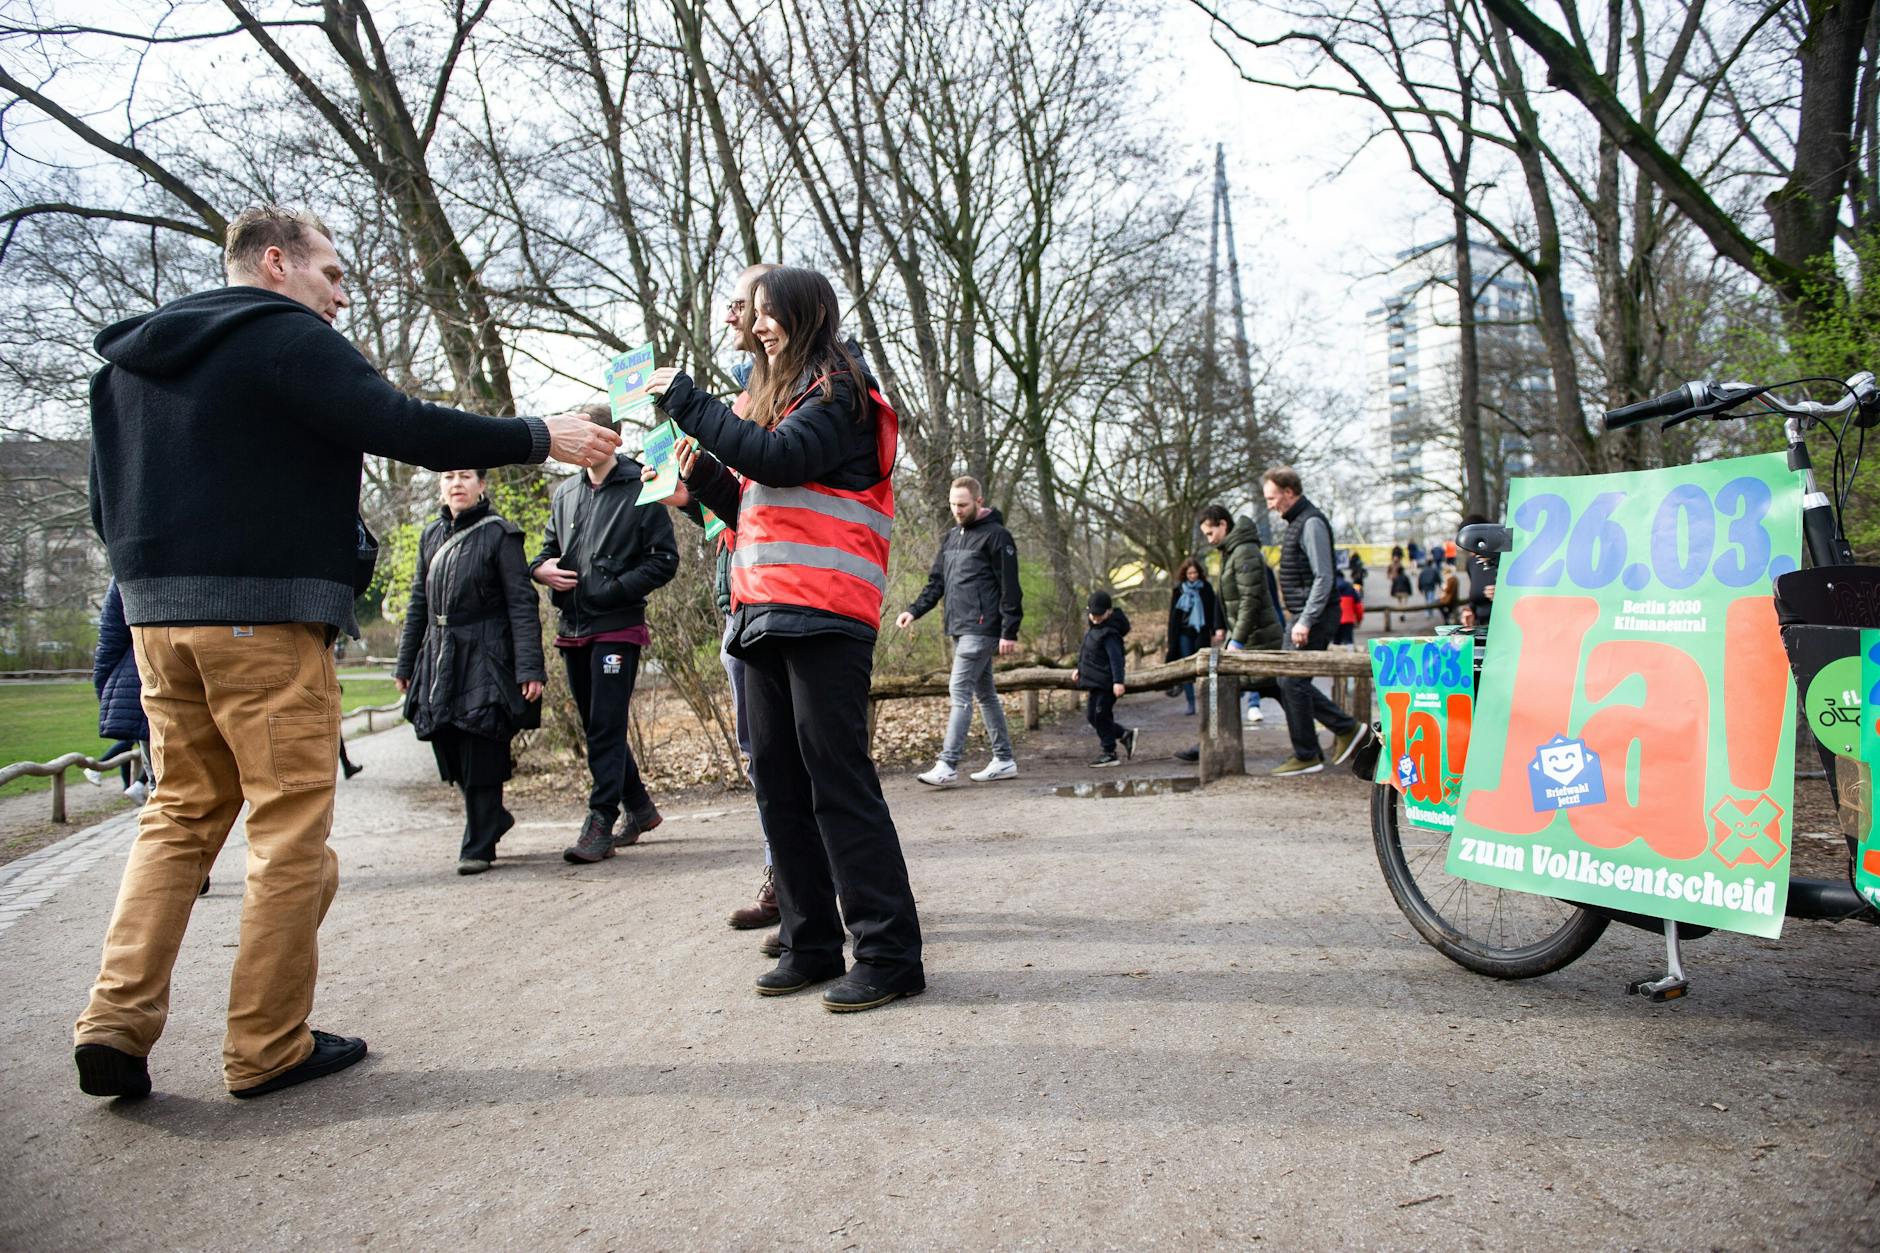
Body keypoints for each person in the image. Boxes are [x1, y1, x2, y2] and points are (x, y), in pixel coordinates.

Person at [74, 204, 618, 1102]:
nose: (339, 297)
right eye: (332, 275)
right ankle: (266, 1044)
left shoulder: (126, 367)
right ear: (277, 262)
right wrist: (537, 435)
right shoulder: (278, 333)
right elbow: (401, 423)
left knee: (177, 815)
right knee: (289, 831)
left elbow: (104, 507)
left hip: (155, 626)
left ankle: (114, 1021)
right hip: (263, 624)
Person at [647, 265, 923, 1013]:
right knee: (777, 780)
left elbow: (782, 460)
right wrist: (701, 479)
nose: (758, 325)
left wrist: (686, 401)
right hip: (763, 610)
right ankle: (810, 943)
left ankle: (891, 952)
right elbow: (756, 498)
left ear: (805, 315)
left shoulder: (838, 390)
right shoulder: (784, 398)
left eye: (770, 313)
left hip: (827, 613)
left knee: (837, 780)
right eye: (755, 314)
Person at [530, 407, 680, 864]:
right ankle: (640, 808)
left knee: (605, 725)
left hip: (618, 627)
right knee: (599, 726)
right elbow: (545, 552)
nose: (581, 442)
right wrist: (542, 570)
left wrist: (614, 589)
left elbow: (664, 560)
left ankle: (600, 820)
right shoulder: (564, 492)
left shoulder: (642, 484)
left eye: (592, 434)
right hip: (572, 627)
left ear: (613, 438)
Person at [394, 468, 546, 875]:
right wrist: (405, 663)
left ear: (481, 485)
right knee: (442, 736)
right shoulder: (430, 536)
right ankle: (493, 817)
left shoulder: (501, 534)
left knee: (481, 741)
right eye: (448, 477)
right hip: (439, 653)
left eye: (465, 476)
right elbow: (416, 605)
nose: (456, 483)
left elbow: (521, 603)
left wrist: (529, 667)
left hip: (487, 653)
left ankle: (479, 843)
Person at [898, 476, 1024, 785]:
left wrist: (1010, 630)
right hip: (958, 626)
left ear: (979, 502)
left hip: (982, 628)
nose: (956, 509)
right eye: (953, 504)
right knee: (985, 693)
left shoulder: (998, 537)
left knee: (960, 691)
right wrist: (913, 610)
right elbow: (936, 583)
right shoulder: (951, 538)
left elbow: (1011, 587)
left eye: (962, 504)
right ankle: (1004, 759)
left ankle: (948, 764)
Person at [1263, 465, 1372, 777]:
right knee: (1288, 680)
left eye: (1272, 497)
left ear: (1289, 491)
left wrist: (1305, 620)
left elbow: (1324, 577)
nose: (1270, 504)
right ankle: (1336, 735)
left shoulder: (1310, 523)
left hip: (1313, 616)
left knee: (1291, 680)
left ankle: (1319, 746)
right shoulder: (1298, 521)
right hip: (1302, 614)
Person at [1198, 503, 1281, 725]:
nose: (1209, 539)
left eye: (1210, 533)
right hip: (1252, 637)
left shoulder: (1243, 551)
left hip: (1258, 639)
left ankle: (1343, 729)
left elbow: (1249, 600)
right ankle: (1210, 741)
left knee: (1288, 692)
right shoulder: (1233, 551)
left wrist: (1237, 640)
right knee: (1286, 693)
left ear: (1223, 524)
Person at [90, 579, 150, 804]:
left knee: (166, 790)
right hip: (144, 690)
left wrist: (106, 695)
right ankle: (134, 785)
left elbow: (109, 641)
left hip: (145, 692)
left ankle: (134, 785)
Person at [1074, 590, 1136, 767]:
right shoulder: (1094, 629)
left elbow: (1117, 659)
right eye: (1093, 614)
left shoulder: (1110, 633)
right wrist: (1079, 669)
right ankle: (1124, 734)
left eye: (1100, 614)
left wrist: (1118, 681)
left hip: (1107, 683)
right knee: (1092, 717)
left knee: (1101, 715)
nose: (1095, 618)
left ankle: (1109, 752)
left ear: (1109, 612)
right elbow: (1087, 653)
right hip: (1094, 682)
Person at [1164, 557, 1222, 715]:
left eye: (1195, 572)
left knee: (1203, 667)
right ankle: (1191, 702)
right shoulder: (1179, 590)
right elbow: (1173, 617)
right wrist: (1171, 639)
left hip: (1201, 632)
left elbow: (1213, 611)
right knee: (1187, 667)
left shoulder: (1206, 589)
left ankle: (1206, 701)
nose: (1192, 576)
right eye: (1189, 573)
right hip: (1183, 633)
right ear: (1185, 574)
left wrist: (1216, 629)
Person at [1459, 512, 1498, 629]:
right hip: (1480, 631)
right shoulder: (1471, 563)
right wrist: (1469, 612)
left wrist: (1504, 595)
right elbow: (1476, 599)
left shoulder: (1506, 559)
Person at [1332, 572, 1363, 646]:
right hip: (1348, 620)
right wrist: (1359, 620)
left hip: (1333, 620)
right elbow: (1359, 606)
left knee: (1335, 642)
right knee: (1349, 642)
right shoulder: (1350, 587)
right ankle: (1351, 655)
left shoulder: (1330, 587)